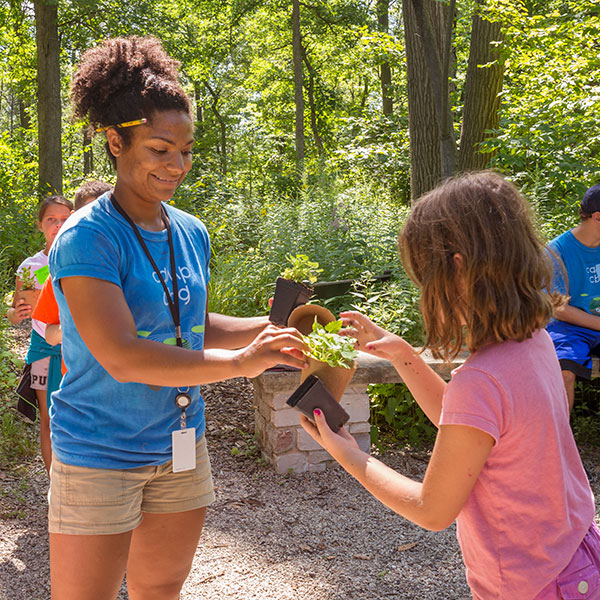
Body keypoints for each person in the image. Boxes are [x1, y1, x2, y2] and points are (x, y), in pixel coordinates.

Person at [47, 35, 306, 600]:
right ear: (117, 142)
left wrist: (271, 333)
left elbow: (186, 323)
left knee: (161, 587)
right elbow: (122, 354)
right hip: (100, 451)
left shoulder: (190, 230)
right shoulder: (87, 237)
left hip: (181, 444)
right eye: (160, 150)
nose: (176, 165)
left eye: (185, 151)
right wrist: (242, 363)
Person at [301, 172, 598, 599]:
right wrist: (404, 354)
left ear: (457, 269)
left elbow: (432, 510)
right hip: (574, 558)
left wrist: (345, 450)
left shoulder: (481, 379)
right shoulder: (533, 341)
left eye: (424, 277)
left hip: (529, 583)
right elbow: (469, 427)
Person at [6, 195, 73, 474]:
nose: (58, 225)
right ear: (40, 225)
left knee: (74, 415)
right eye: (51, 220)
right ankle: (54, 485)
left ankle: (79, 479)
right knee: (49, 417)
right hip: (42, 349)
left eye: (64, 220)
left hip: (76, 348)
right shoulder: (30, 266)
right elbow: (13, 311)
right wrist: (16, 314)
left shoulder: (83, 258)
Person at [33, 180, 113, 351]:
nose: (101, 223)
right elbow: (51, 336)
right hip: (79, 373)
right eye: (93, 215)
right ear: (76, 215)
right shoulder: (62, 270)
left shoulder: (136, 261)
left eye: (109, 214)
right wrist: (82, 321)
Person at [546, 183, 600, 411]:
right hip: (569, 327)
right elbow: (558, 308)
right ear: (597, 217)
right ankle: (560, 443)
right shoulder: (556, 251)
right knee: (563, 370)